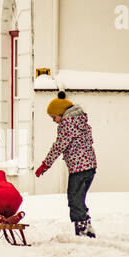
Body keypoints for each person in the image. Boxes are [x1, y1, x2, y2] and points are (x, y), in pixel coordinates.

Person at [35, 91, 97, 238]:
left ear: (61, 113)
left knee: (74, 199)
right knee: (78, 199)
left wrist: (45, 164)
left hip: (79, 168)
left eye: (54, 117)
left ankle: (83, 229)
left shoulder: (68, 124)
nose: (54, 120)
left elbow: (59, 146)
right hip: (90, 167)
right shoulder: (80, 121)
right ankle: (86, 225)